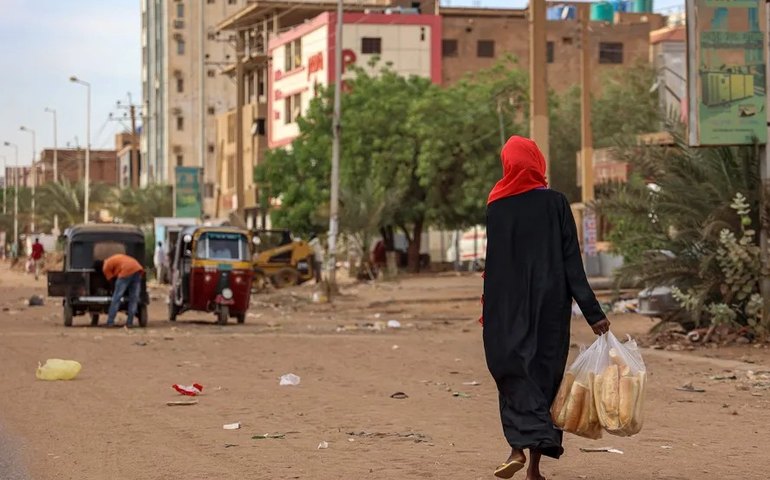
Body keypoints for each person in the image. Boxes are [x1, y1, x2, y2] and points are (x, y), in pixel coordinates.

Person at [482, 136, 610, 479]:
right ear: (537, 162)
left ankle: (516, 450)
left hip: (505, 305)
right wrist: (593, 312)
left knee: (512, 372)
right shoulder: (555, 202)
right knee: (544, 377)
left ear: (507, 164)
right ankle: (534, 468)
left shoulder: (497, 206)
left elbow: (493, 264)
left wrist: (489, 309)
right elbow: (572, 262)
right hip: (550, 305)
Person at [95, 254, 144, 328]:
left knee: (116, 298)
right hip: (137, 269)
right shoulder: (112, 259)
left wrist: (112, 291)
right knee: (134, 299)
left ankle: (110, 322)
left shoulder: (105, 267)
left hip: (126, 271)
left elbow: (111, 282)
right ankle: (129, 323)